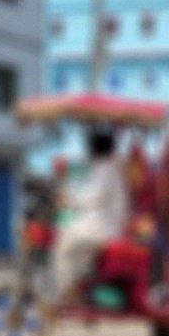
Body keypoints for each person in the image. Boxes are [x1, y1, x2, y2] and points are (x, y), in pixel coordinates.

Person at [53, 126, 127, 300]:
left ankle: (68, 292)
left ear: (94, 150)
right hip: (104, 225)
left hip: (104, 228)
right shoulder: (109, 168)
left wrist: (69, 200)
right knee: (76, 248)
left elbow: (93, 198)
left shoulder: (106, 169)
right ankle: (82, 287)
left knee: (63, 244)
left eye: (89, 149)